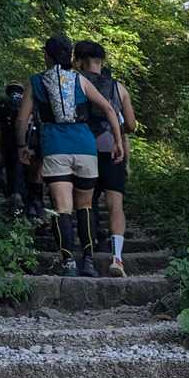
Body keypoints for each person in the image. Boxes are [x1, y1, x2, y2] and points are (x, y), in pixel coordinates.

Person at [15, 35, 124, 277]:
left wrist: (22, 145)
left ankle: (68, 263)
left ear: (46, 55)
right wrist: (118, 141)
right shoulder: (80, 80)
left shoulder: (36, 82)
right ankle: (88, 261)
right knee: (85, 206)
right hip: (85, 148)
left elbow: (22, 119)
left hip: (55, 148)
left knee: (62, 208)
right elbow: (108, 108)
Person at [73, 40, 136, 276]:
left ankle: (87, 254)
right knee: (115, 203)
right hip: (112, 149)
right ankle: (117, 258)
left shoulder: (74, 83)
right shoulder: (119, 88)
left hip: (82, 148)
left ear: (79, 61)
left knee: (85, 203)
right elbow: (131, 124)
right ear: (102, 61)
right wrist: (117, 132)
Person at [0, 84, 26, 214]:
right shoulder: (25, 102)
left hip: (6, 141)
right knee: (19, 169)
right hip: (24, 142)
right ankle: (19, 197)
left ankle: (9, 194)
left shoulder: (2, 103)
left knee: (4, 168)